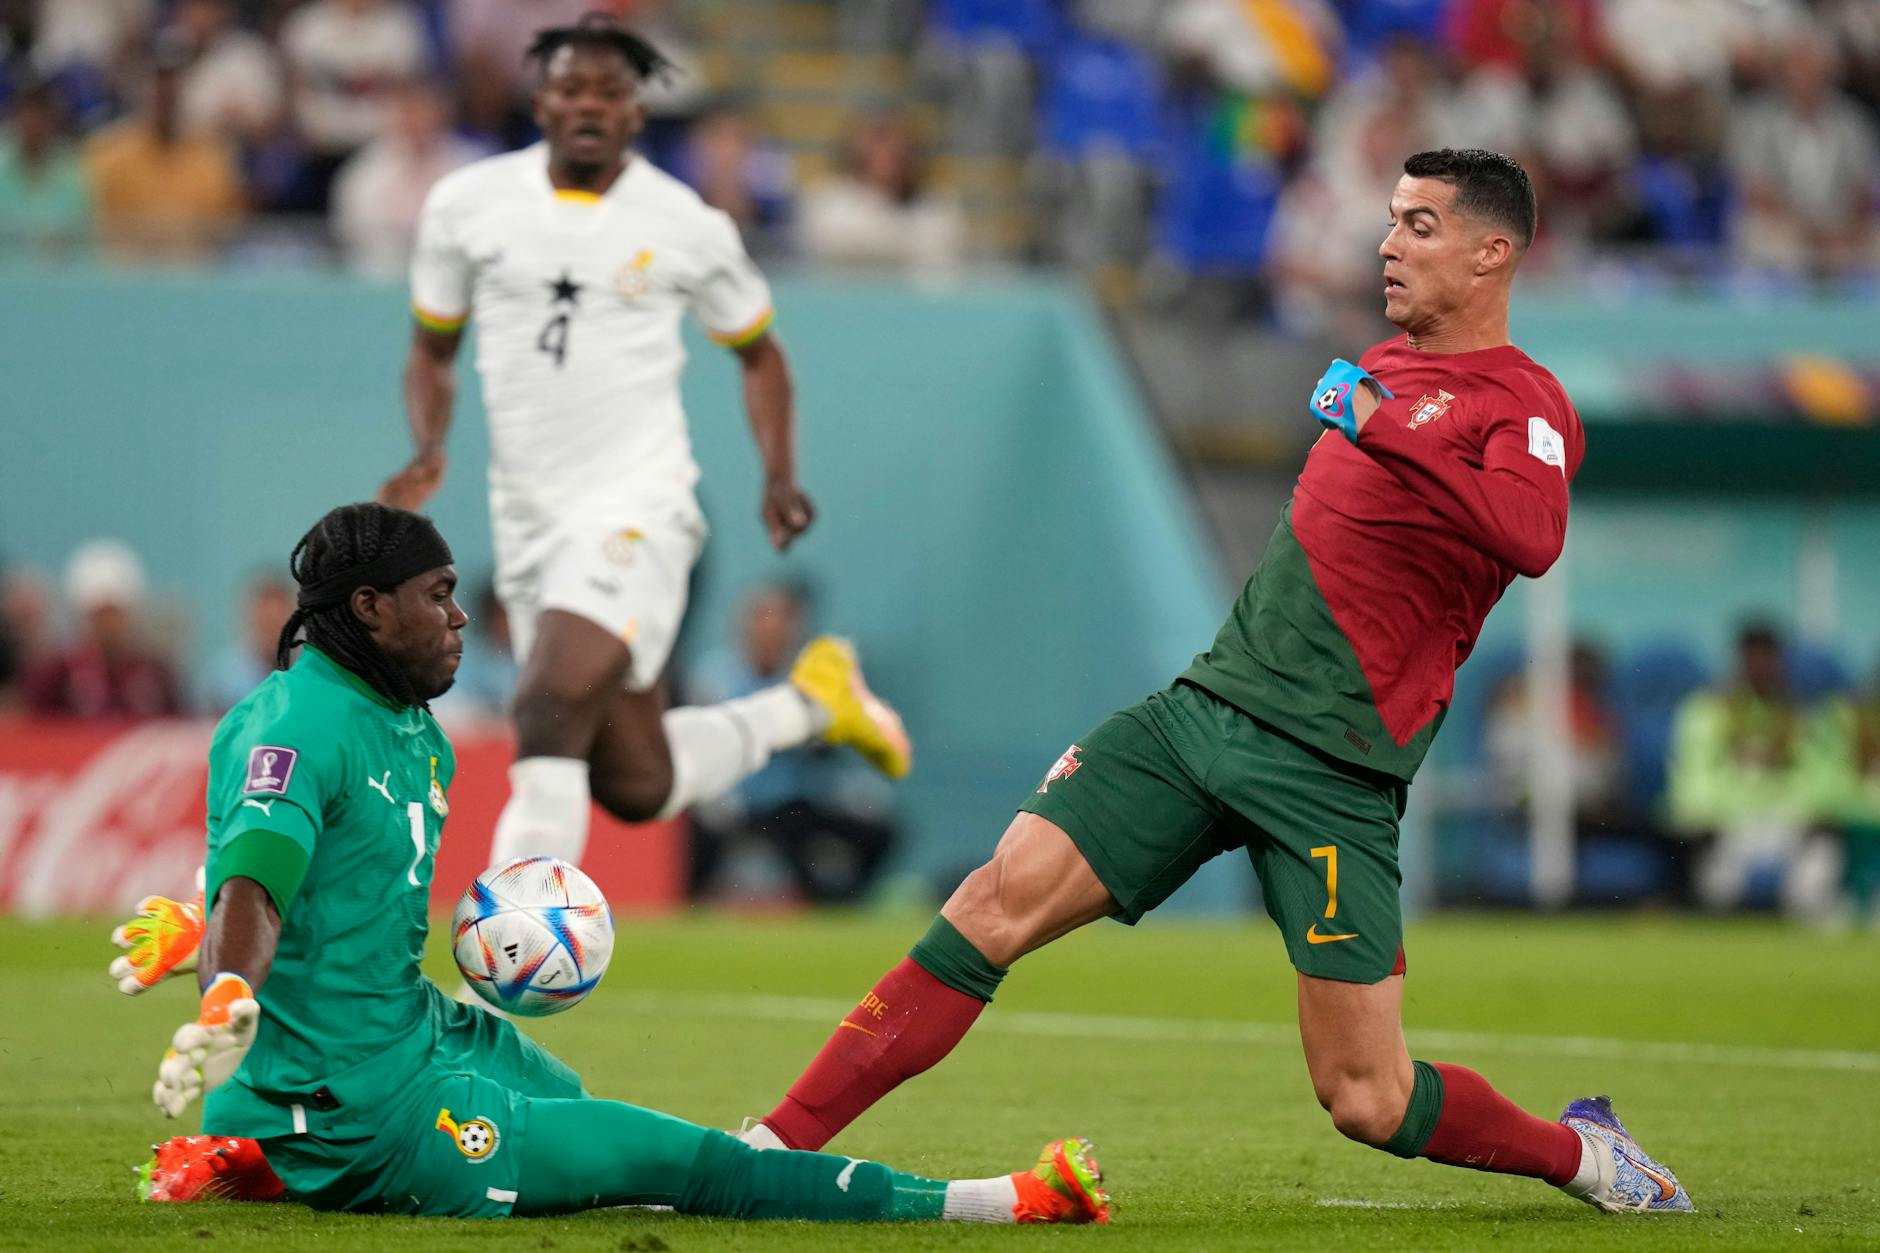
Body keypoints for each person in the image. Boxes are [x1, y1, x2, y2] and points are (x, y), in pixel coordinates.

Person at [735, 149, 1693, 1216]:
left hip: (1332, 768)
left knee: (1365, 1097)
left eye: (1418, 226)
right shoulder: (1382, 366)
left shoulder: (1521, 398)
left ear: (1490, 251)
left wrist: (1376, 426)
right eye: (1388, 220)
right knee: (990, 902)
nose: (1385, 243)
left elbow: (1529, 532)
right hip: (1200, 715)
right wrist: (1376, 411)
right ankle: (765, 1147)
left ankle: (1584, 1155)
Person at [124, 501, 1110, 1225]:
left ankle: (258, 1151)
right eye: (439, 597)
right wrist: (223, 982)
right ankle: (1008, 1200)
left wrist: (202, 921)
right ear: (372, 607)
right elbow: (257, 882)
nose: (462, 617)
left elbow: (300, 871)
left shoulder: (407, 721)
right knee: (698, 1166)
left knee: (580, 1109)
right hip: (371, 1107)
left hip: (406, 1034)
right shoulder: (299, 721)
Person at [378, 15, 911, 888]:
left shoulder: (685, 223)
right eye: (571, 88)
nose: (589, 103)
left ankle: (500, 969)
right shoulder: (466, 207)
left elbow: (761, 354)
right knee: (636, 781)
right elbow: (431, 346)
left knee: (545, 709)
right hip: (530, 520)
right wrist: (428, 446)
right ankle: (813, 701)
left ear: (637, 112)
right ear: (539, 101)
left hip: (639, 505)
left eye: (611, 91)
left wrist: (778, 472)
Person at [687, 582, 898, 904]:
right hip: (731, 800)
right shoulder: (716, 678)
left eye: (780, 623)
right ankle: (689, 903)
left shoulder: (807, 680)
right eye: (762, 621)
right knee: (693, 837)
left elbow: (826, 751)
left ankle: (841, 906)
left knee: (871, 830)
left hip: (790, 806)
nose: (770, 632)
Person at [1666, 622, 1841, 915]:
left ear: (1781, 663)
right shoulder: (1708, 710)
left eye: (1768, 659)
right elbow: (1692, 777)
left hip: (1788, 820)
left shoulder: (1801, 714)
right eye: (1753, 658)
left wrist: (1814, 809)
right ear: (1738, 661)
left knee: (1820, 861)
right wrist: (1707, 815)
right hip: (1730, 823)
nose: (1760, 667)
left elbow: (1821, 775)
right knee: (1718, 884)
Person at [23, 538, 181, 720]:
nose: (108, 625)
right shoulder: (53, 675)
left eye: (114, 614)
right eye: (100, 615)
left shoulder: (156, 673)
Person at [203, 572, 295, 713]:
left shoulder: (306, 667)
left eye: (278, 621)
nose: (272, 630)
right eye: (266, 622)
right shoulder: (226, 677)